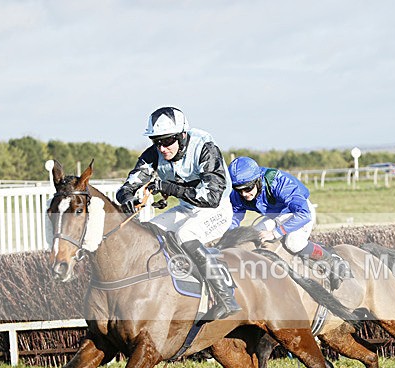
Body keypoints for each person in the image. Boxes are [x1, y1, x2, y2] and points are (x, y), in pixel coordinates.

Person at [115, 106, 241, 319]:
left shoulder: (205, 149)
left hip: (216, 209)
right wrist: (126, 196)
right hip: (187, 208)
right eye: (156, 141)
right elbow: (131, 182)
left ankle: (226, 298)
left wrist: (170, 188)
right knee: (149, 231)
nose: (162, 148)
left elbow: (211, 198)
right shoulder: (155, 153)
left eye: (167, 141)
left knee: (185, 235)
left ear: (182, 136)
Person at [227, 156, 351, 289]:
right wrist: (229, 238)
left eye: (248, 188)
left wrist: (276, 233)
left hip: (298, 212)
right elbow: (234, 218)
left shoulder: (279, 182)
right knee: (251, 238)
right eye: (239, 190)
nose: (244, 194)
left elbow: (303, 214)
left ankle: (332, 261)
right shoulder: (237, 195)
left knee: (293, 242)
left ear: (258, 180)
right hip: (275, 216)